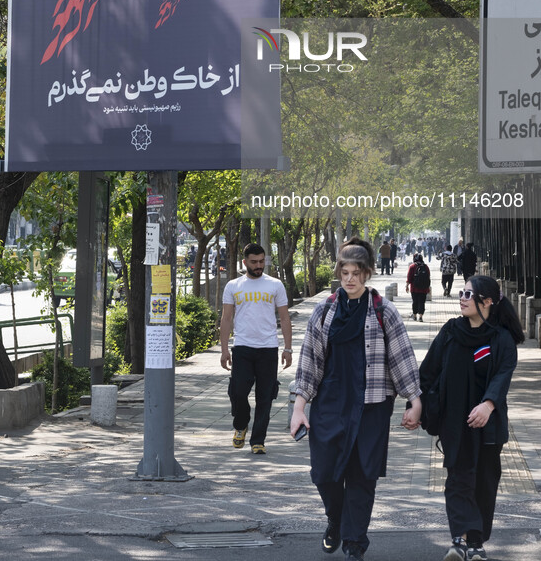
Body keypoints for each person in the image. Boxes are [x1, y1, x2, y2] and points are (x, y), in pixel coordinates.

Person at [290, 238, 421, 560]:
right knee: (323, 472)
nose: (349, 279)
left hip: (372, 406)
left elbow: (401, 358)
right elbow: (310, 361)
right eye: (344, 272)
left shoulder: (383, 311)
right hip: (330, 403)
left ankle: (354, 543)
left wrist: (415, 400)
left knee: (363, 475)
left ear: (367, 273)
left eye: (356, 273)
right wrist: (298, 408)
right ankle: (336, 519)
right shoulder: (324, 311)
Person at [419, 276, 525, 561]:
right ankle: (458, 541)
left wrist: (488, 405)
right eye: (462, 293)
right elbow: (428, 371)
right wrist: (414, 403)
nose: (462, 298)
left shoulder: (501, 339)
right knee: (457, 481)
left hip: (488, 425)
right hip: (454, 422)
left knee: (484, 483)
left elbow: (503, 374)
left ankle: (476, 543)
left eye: (469, 294)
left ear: (487, 301)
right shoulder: (451, 331)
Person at [220, 243, 292, 454]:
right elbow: (226, 318)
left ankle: (258, 440)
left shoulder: (275, 285)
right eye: (254, 262)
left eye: (262, 261)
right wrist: (224, 350)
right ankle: (241, 424)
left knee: (266, 396)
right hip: (242, 347)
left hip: (268, 348)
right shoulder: (233, 286)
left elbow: (285, 318)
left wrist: (288, 348)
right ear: (245, 262)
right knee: (238, 392)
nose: (259, 265)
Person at [406, 253, 430, 321]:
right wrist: (428, 287)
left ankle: (414, 315)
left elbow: (409, 277)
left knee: (415, 301)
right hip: (424, 288)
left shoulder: (412, 266)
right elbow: (428, 277)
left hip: (414, 288)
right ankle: (421, 316)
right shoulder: (426, 267)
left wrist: (407, 286)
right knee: (422, 302)